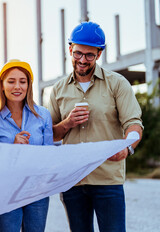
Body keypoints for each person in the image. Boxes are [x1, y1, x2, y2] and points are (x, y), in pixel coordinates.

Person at [48, 21, 143, 232]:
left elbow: (134, 124)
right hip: (73, 181)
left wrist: (127, 147)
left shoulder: (117, 84)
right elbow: (49, 134)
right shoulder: (58, 89)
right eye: (78, 53)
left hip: (107, 180)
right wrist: (68, 123)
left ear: (99, 54)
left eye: (89, 55)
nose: (82, 60)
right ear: (70, 49)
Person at [0, 59, 53, 232]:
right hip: (5, 193)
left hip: (37, 191)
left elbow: (49, 156)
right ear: (1, 85)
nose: (17, 86)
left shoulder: (43, 115)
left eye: (22, 82)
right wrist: (12, 148)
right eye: (11, 81)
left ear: (29, 85)